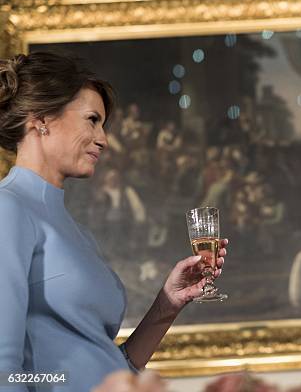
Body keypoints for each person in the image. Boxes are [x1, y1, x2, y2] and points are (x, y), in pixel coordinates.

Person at [0, 51, 228, 392]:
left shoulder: (78, 232)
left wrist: (169, 301)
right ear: (41, 118)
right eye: (92, 119)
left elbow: (113, 365)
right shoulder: (8, 208)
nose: (103, 139)